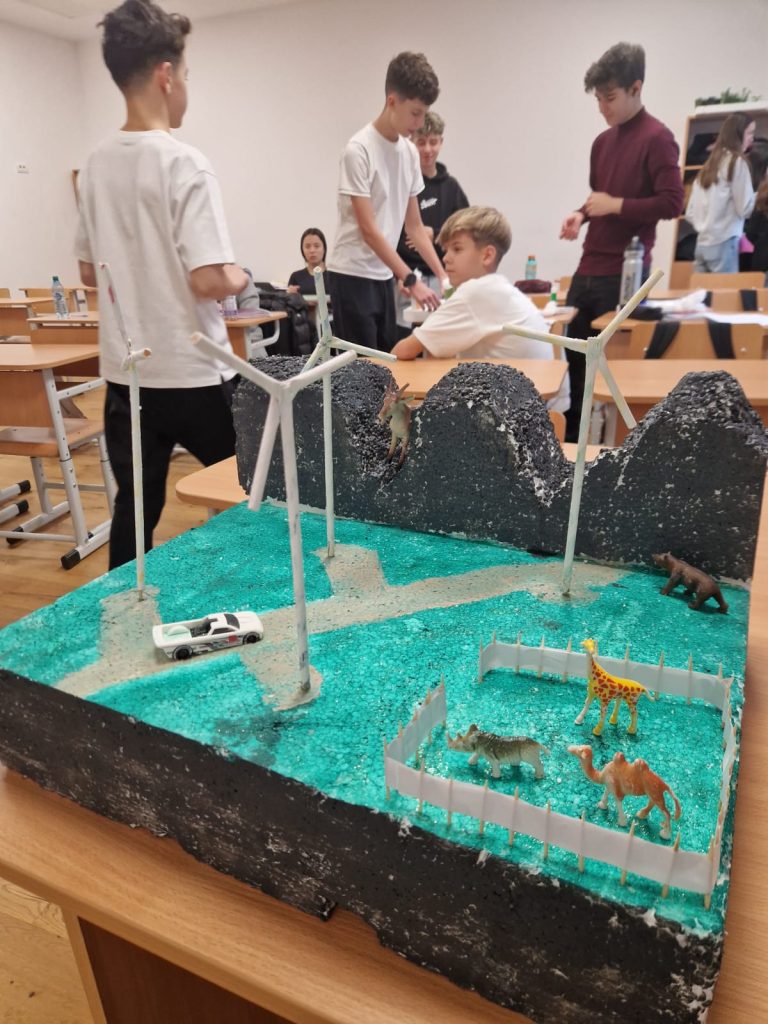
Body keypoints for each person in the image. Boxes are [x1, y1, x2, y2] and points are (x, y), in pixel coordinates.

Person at [75, 0, 247, 569]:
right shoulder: (184, 163)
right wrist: (241, 275)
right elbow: (209, 280)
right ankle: (263, 595)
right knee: (251, 491)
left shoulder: (94, 165)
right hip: (193, 371)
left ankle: (122, 611)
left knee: (134, 509)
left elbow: (87, 272)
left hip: (127, 378)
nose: (186, 88)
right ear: (166, 75)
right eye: (187, 75)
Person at [559, 42, 684, 441]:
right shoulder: (601, 143)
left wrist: (614, 205)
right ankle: (572, 449)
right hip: (588, 268)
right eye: (598, 98)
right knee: (573, 368)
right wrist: (581, 214)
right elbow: (601, 198)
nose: (602, 107)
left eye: (609, 97)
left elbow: (672, 202)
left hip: (624, 274)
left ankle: (609, 450)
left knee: (611, 375)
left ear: (636, 87)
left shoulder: (658, 138)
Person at [392, 206, 567, 411]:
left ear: (487, 255)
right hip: (539, 407)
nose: (446, 257)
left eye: (457, 249)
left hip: (517, 414)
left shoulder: (475, 292)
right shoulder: (497, 287)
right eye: (446, 250)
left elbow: (401, 352)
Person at [327, 51, 446, 352]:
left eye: (424, 113)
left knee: (385, 363)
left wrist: (444, 277)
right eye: (415, 113)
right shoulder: (358, 151)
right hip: (352, 273)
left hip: (383, 275)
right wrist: (411, 280)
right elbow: (369, 231)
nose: (419, 123)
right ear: (392, 101)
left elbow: (415, 227)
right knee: (360, 370)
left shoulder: (409, 153)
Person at [394, 110, 469, 332]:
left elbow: (467, 233)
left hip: (441, 277)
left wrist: (434, 233)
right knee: (404, 336)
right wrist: (400, 275)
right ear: (412, 142)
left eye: (433, 142)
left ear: (441, 142)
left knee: (441, 335)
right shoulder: (401, 184)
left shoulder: (451, 187)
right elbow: (387, 235)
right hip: (406, 278)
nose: (428, 149)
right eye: (421, 142)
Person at [686, 114, 756, 274]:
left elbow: (690, 213)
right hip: (724, 243)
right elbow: (745, 209)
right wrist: (760, 197)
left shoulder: (709, 165)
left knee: (702, 291)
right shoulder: (737, 162)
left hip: (701, 245)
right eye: (750, 133)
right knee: (725, 291)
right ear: (738, 134)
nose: (752, 138)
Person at [287, 227, 329, 295]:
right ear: (302, 250)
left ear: (324, 248)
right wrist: (289, 295)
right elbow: (290, 300)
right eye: (307, 247)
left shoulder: (334, 276)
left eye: (316, 246)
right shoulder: (296, 277)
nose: (312, 250)